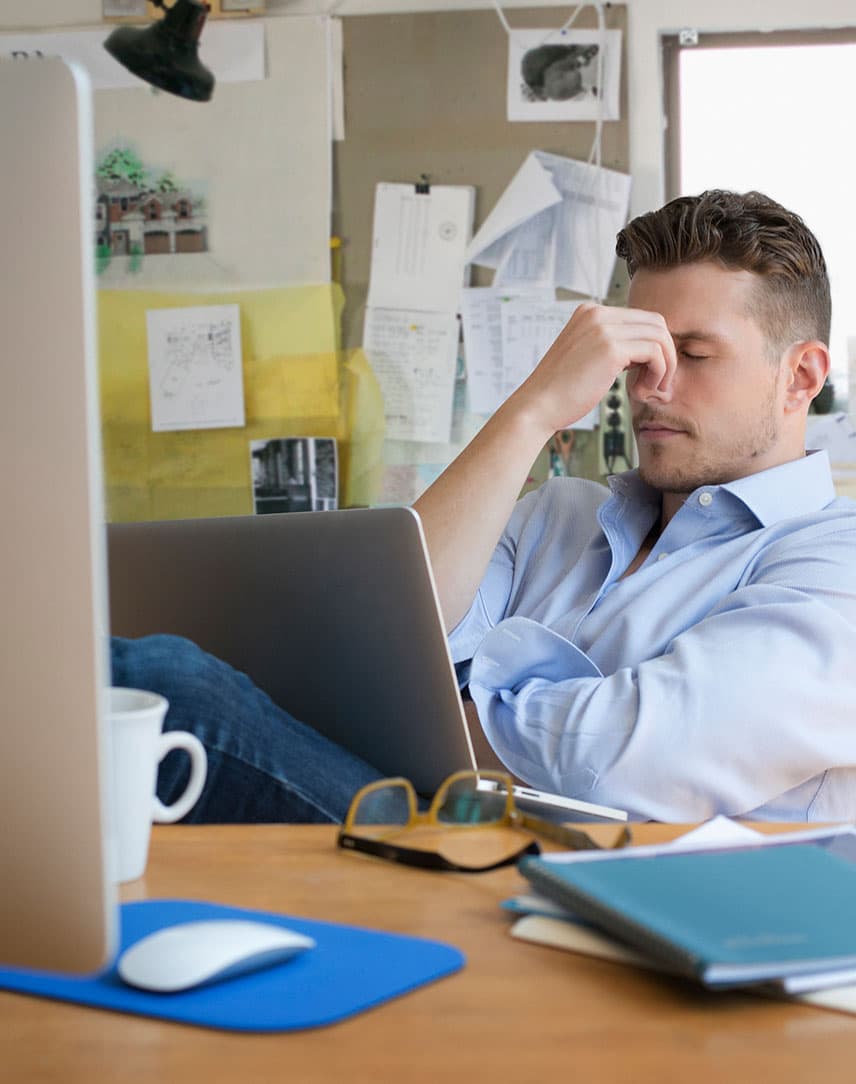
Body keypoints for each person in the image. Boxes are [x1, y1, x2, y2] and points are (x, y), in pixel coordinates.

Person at [115, 189, 856, 823]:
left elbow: (618, 760)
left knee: (168, 686)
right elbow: (381, 642)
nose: (647, 388)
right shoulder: (556, 514)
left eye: (692, 355)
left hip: (615, 898)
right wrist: (531, 411)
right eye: (639, 358)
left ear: (801, 376)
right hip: (449, 836)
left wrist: (435, 714)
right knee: (128, 671)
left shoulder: (833, 558)